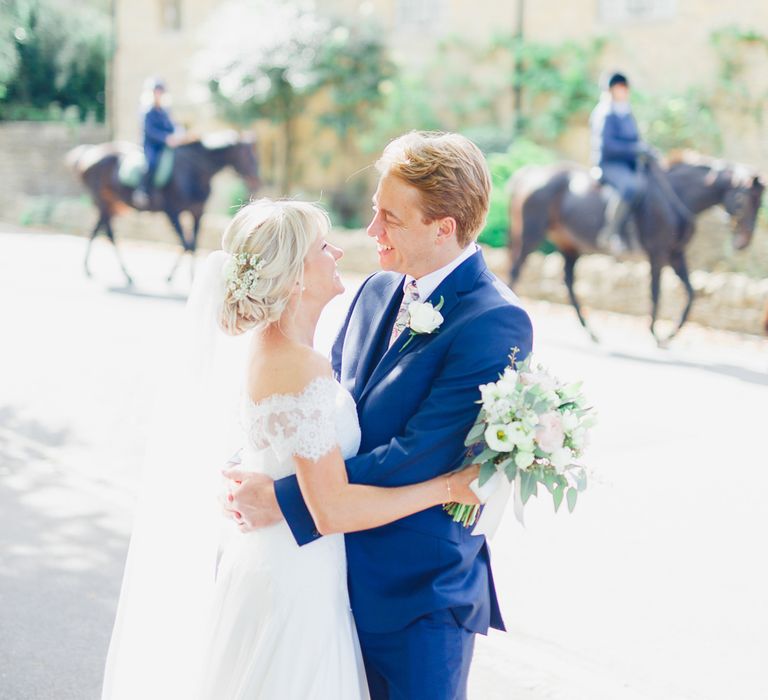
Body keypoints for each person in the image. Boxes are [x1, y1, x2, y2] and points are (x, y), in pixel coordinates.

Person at [101, 198, 483, 700]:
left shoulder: (281, 352)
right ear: (297, 276)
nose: (341, 251)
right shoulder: (299, 366)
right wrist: (447, 487)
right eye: (325, 247)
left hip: (279, 564)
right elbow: (333, 508)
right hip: (295, 581)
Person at [223, 132, 534, 699]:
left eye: (389, 218)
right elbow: (316, 413)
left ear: (443, 227)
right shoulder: (374, 291)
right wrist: (258, 453)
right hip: (330, 582)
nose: (371, 232)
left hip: (417, 600)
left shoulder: (494, 321)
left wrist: (286, 497)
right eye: (374, 211)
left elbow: (419, 454)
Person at [590, 72, 649, 252]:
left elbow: (635, 138)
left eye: (624, 88)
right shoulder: (605, 113)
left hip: (626, 163)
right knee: (630, 187)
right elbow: (608, 145)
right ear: (611, 90)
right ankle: (610, 232)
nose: (623, 91)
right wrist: (635, 149)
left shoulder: (626, 111)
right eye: (619, 88)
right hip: (609, 164)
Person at [133, 78, 179, 208]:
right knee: (151, 163)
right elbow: (150, 131)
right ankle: (141, 191)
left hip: (165, 145)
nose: (159, 94)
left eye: (161, 92)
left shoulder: (165, 111)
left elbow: (171, 127)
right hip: (151, 145)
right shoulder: (147, 111)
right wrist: (166, 138)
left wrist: (176, 134)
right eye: (156, 92)